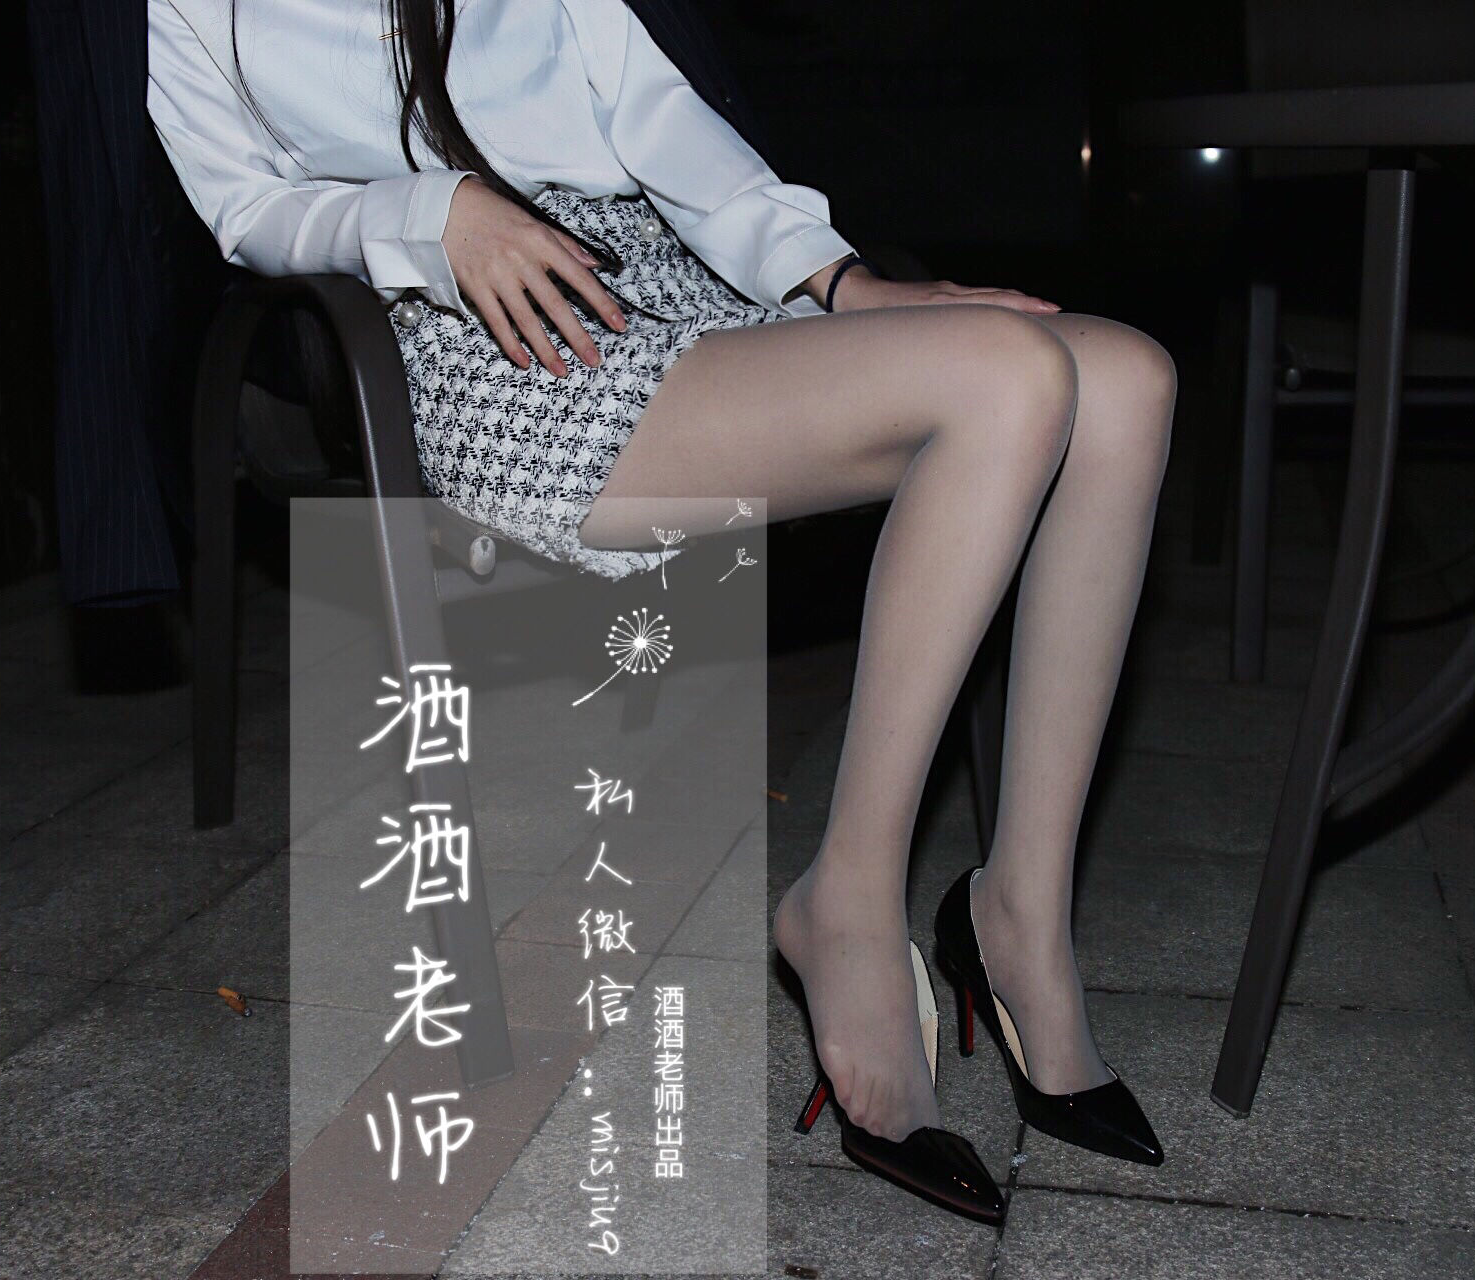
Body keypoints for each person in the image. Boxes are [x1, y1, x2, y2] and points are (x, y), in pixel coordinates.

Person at [148, 0, 1176, 1226]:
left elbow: (650, 105)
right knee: (1010, 382)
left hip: (675, 266)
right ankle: (848, 902)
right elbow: (243, 204)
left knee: (1128, 380)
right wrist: (432, 214)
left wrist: (837, 278)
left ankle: (1020, 916)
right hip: (487, 328)